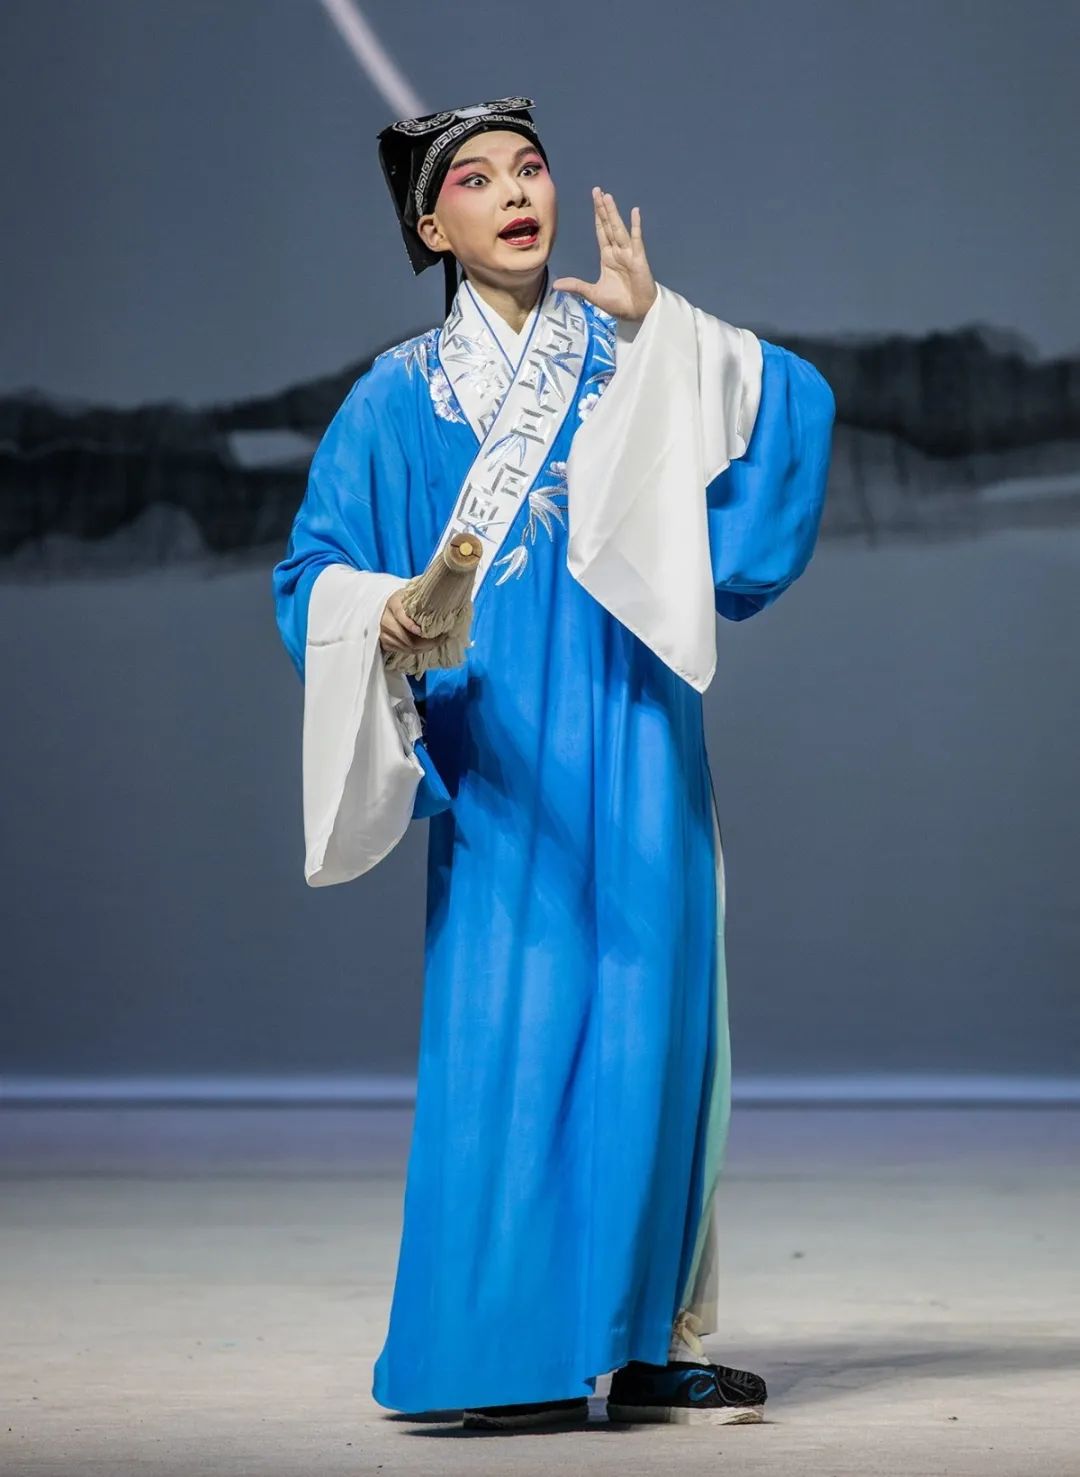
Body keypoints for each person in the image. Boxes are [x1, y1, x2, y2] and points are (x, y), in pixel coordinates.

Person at [272, 96, 835, 1431]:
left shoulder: (628, 358)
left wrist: (661, 324)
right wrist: (389, 611)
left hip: (638, 732)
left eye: (529, 169)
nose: (518, 193)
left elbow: (791, 412)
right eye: (477, 179)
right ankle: (493, 1355)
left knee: (655, 1032)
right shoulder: (396, 398)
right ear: (431, 227)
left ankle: (644, 1342)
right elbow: (311, 573)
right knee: (508, 1043)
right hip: (505, 756)